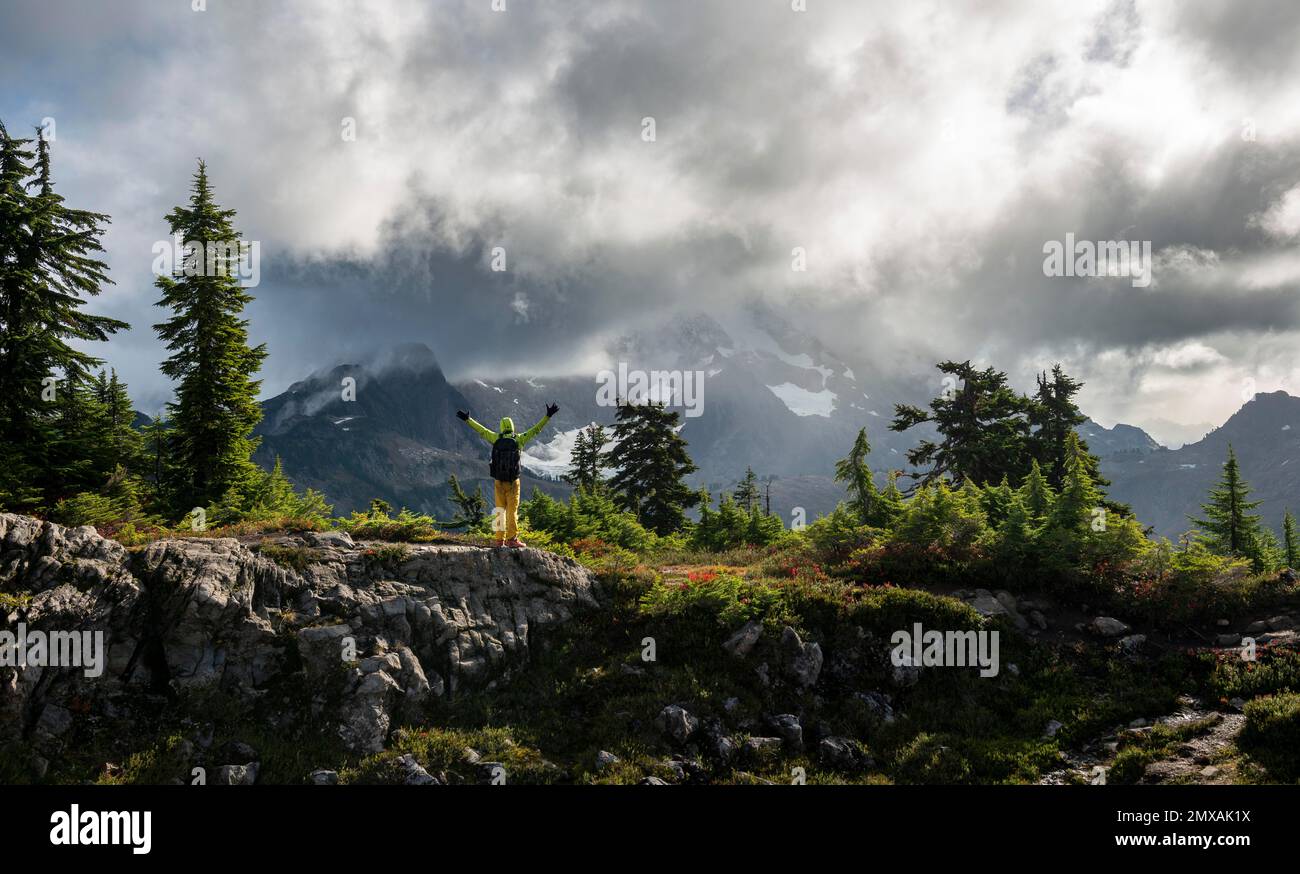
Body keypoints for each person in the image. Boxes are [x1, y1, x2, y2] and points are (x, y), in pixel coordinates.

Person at [456, 403, 558, 547]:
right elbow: (536, 430)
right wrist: (547, 416)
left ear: (501, 427)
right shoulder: (519, 439)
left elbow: (482, 430)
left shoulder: (495, 438)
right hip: (513, 481)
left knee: (499, 509)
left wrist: (468, 419)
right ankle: (512, 540)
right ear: (512, 427)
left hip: (498, 480)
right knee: (512, 510)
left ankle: (499, 540)